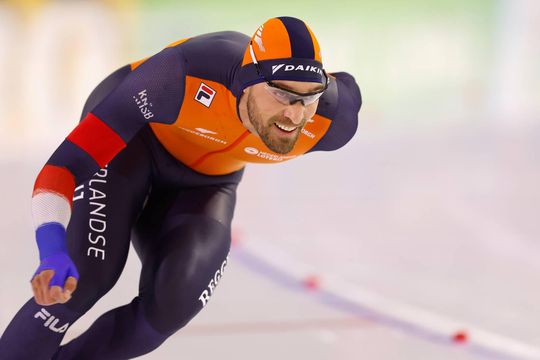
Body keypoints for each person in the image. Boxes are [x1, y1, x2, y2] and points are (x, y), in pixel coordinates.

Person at [0, 16, 361, 359]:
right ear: (248, 81)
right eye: (281, 95)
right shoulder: (177, 76)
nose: (294, 115)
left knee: (171, 305)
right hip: (134, 145)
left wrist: (306, 98)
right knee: (84, 278)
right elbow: (64, 169)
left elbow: (344, 90)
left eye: (308, 98)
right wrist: (51, 249)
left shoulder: (331, 121)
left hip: (209, 181)